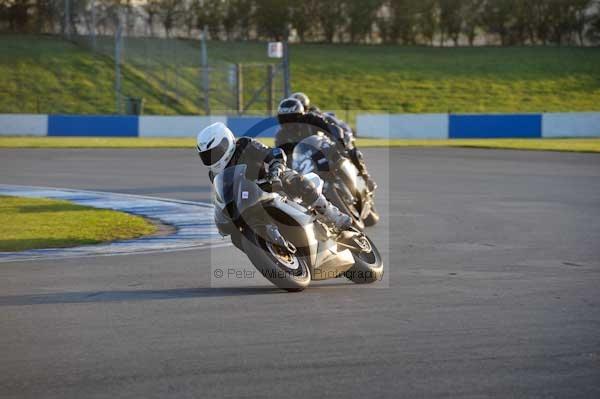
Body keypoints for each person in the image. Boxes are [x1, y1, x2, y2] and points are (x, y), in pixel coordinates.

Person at [196, 122, 352, 231]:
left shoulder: (244, 144)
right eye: (207, 156)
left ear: (227, 142)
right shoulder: (214, 174)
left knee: (294, 179)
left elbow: (272, 153)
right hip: (249, 199)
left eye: (215, 152)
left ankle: (332, 214)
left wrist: (275, 170)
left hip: (272, 180)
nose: (212, 158)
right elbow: (224, 196)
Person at [276, 96, 377, 192]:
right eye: (284, 119)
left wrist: (339, 141)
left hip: (322, 150)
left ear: (301, 115)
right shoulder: (281, 136)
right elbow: (283, 156)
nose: (289, 122)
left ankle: (365, 178)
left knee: (351, 151)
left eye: (292, 118)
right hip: (303, 163)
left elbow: (331, 128)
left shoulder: (310, 119)